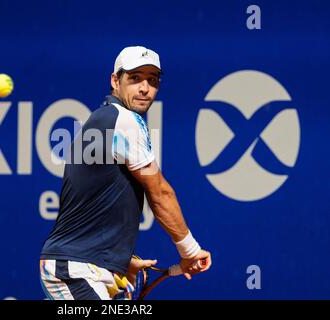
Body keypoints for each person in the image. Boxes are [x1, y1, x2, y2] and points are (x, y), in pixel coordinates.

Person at [40, 46, 211, 300]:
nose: (145, 88)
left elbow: (92, 201)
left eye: (152, 81)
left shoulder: (107, 119)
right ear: (115, 81)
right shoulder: (123, 120)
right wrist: (190, 250)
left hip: (85, 266)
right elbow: (160, 193)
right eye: (135, 78)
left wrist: (117, 259)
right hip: (75, 271)